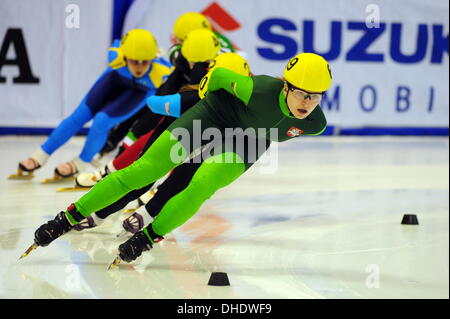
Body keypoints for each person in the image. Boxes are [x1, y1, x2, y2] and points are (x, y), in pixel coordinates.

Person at [25, 52, 332, 266]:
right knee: (145, 171)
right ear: (286, 86)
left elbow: (277, 128)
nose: (308, 103)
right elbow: (223, 75)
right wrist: (205, 86)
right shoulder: (259, 89)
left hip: (248, 141)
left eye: (316, 96)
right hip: (212, 117)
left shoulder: (315, 124)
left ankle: (149, 236)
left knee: (203, 183)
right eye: (303, 93)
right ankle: (67, 218)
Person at [72, 52, 251, 231]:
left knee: (182, 178)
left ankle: (147, 212)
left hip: (201, 143)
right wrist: (168, 101)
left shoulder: (245, 106)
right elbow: (154, 103)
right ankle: (100, 214)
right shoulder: (191, 96)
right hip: (175, 135)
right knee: (144, 178)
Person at [10, 29, 172, 181]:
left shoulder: (163, 71)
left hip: (138, 93)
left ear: (154, 58)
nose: (139, 67)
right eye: (134, 61)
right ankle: (40, 155)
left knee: (102, 121)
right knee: (79, 116)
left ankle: (80, 163)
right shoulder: (115, 54)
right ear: (124, 56)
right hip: (114, 81)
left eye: (145, 62)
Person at [74, 28, 222, 190]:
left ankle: (163, 188)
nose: (193, 65)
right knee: (146, 128)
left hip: (208, 114)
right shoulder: (180, 57)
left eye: (201, 62)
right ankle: (110, 169)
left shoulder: (220, 68)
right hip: (185, 102)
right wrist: (158, 104)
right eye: (190, 60)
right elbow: (166, 90)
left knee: (183, 146)